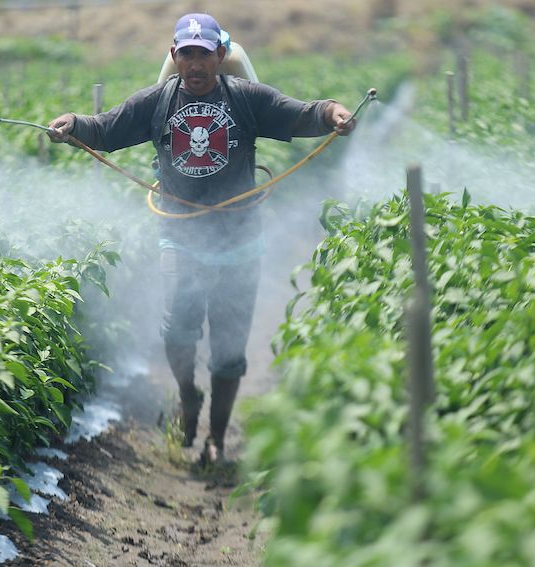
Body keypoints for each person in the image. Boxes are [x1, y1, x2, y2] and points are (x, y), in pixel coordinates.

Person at [48, 13, 355, 464]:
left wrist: (333, 113)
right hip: (181, 237)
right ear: (175, 56)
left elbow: (302, 113)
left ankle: (215, 438)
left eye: (204, 54)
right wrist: (72, 123)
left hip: (240, 241)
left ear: (220, 56)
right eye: (186, 53)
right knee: (177, 333)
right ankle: (189, 396)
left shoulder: (246, 99)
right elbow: (106, 128)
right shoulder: (155, 102)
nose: (195, 63)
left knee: (229, 349)